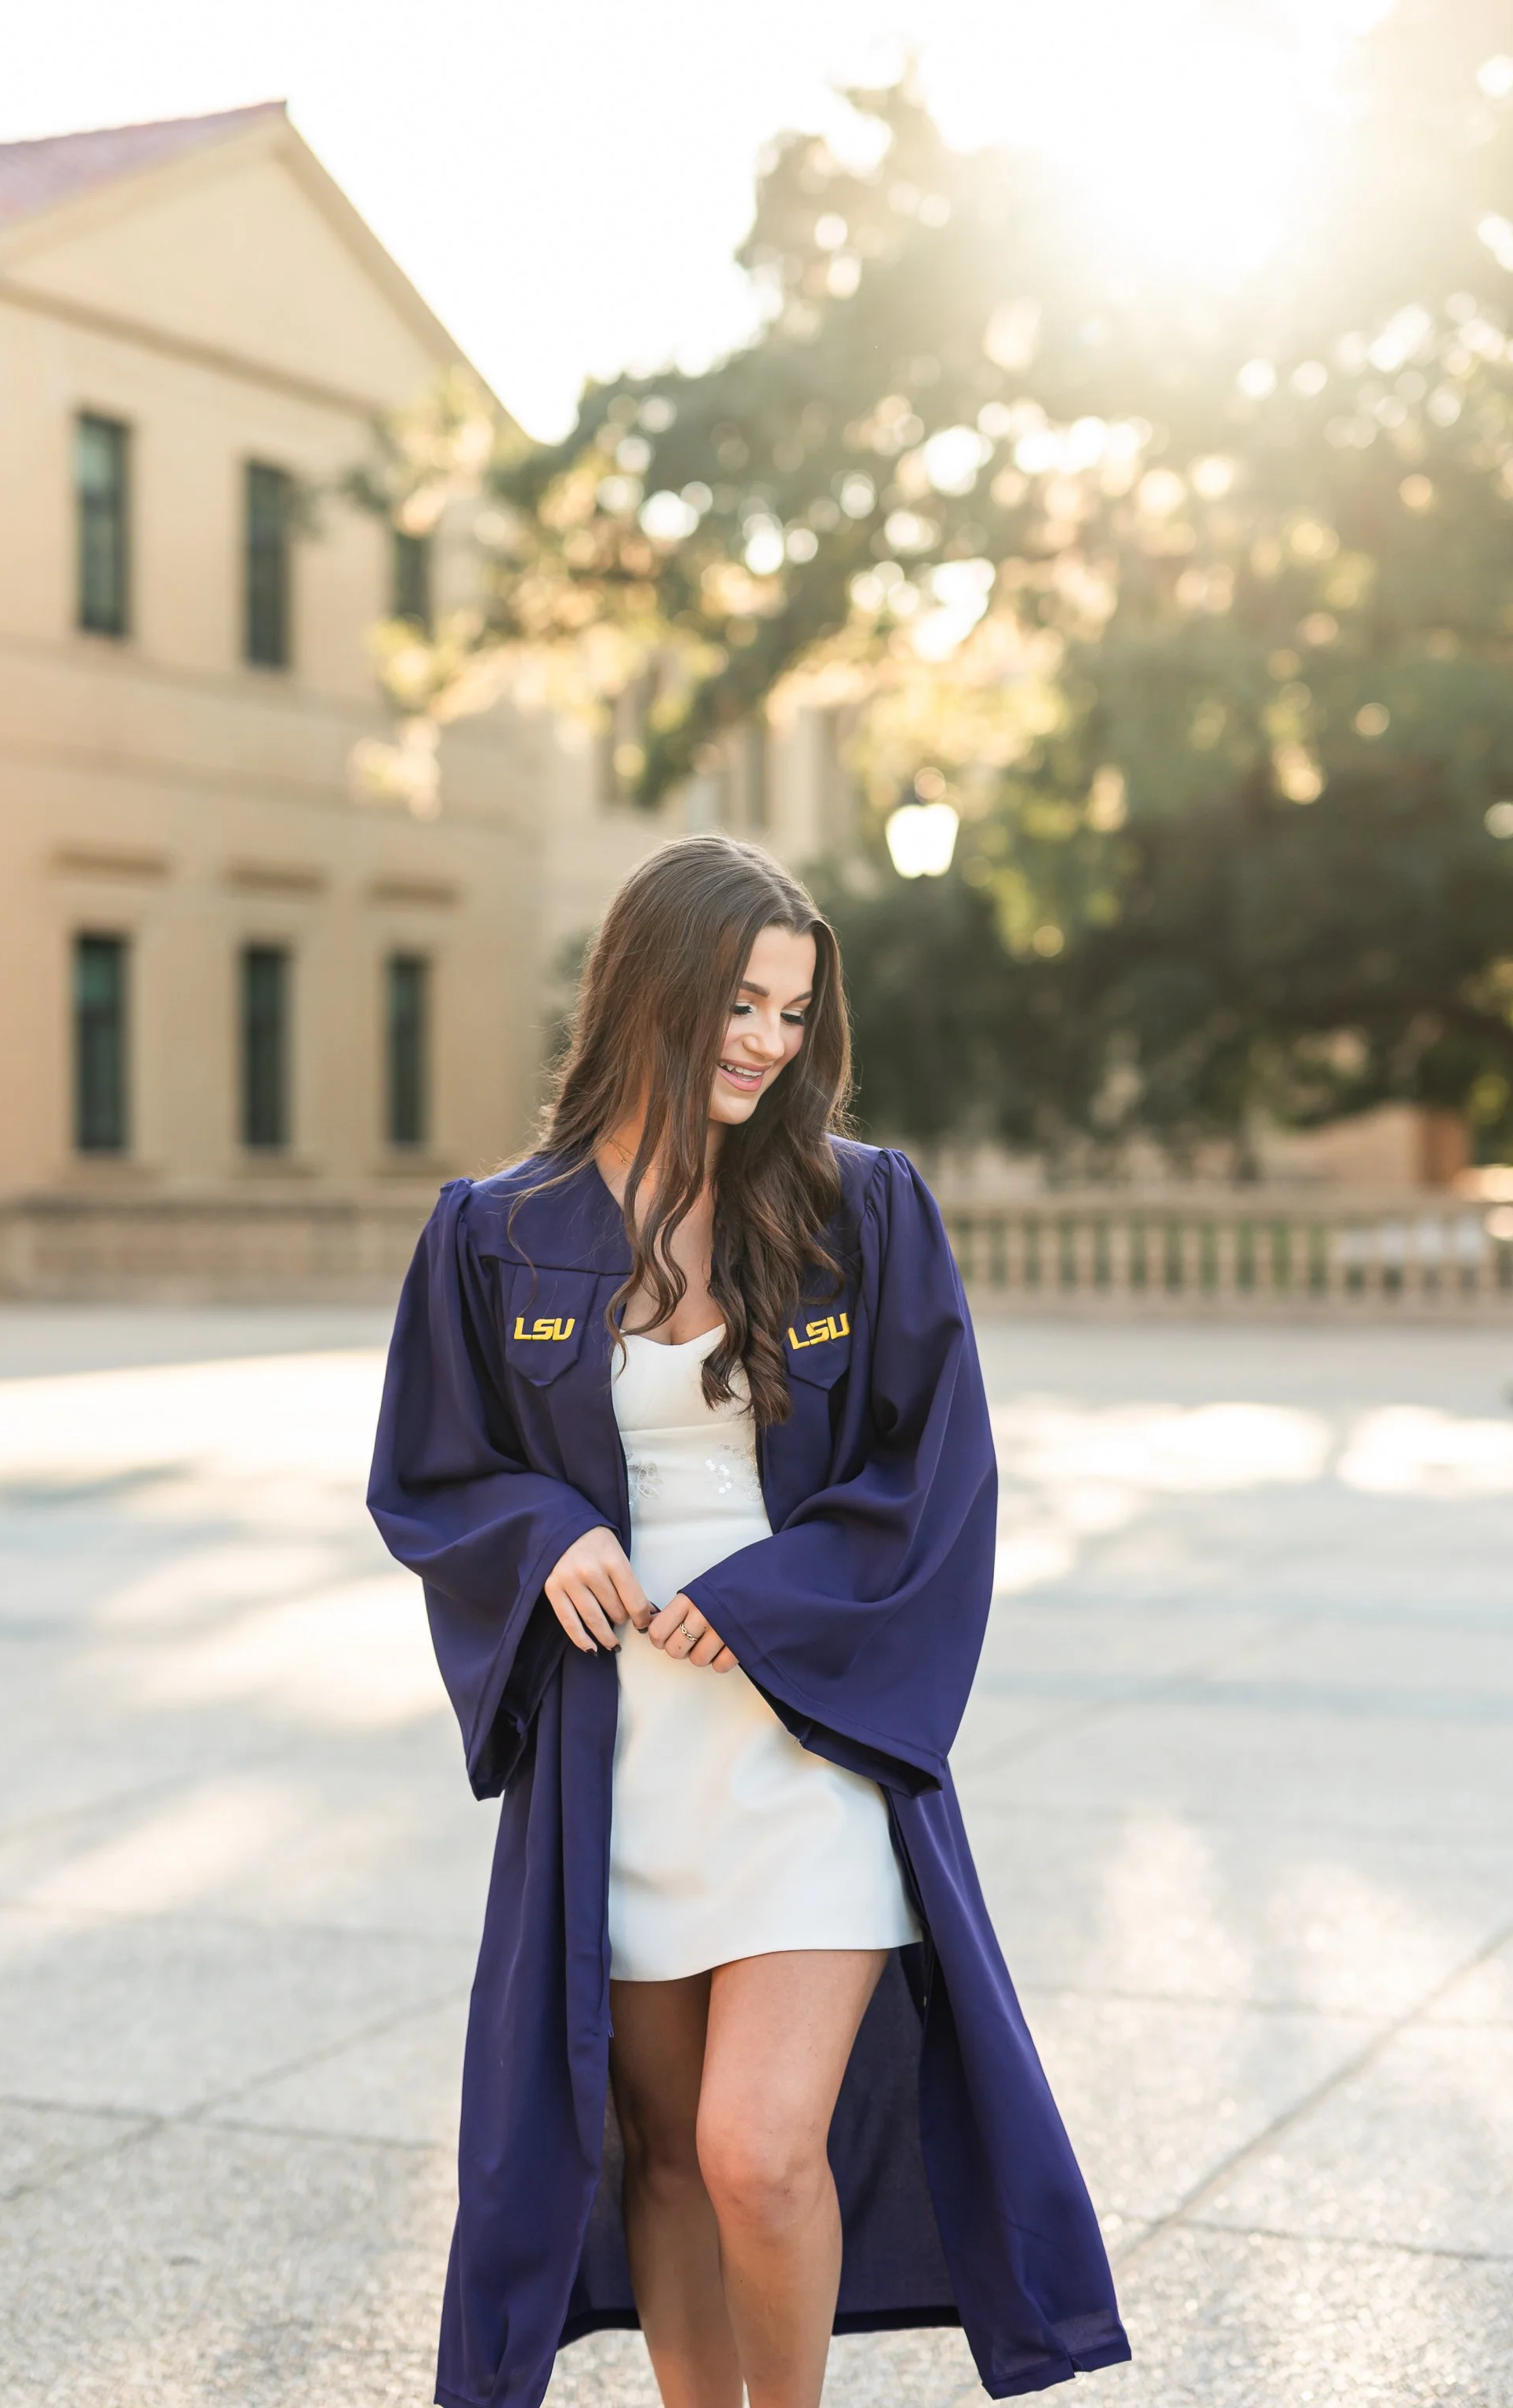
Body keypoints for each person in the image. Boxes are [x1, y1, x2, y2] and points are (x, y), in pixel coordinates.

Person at [368, 834, 1129, 2408]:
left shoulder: (862, 1209)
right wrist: (546, 1533)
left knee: (756, 2151)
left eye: (792, 1014)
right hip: (619, 1753)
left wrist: (772, 1598)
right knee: (656, 2157)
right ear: (648, 988)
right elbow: (433, 1472)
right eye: (738, 1002)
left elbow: (940, 1478)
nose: (766, 1044)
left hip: (807, 1735)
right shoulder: (493, 1232)